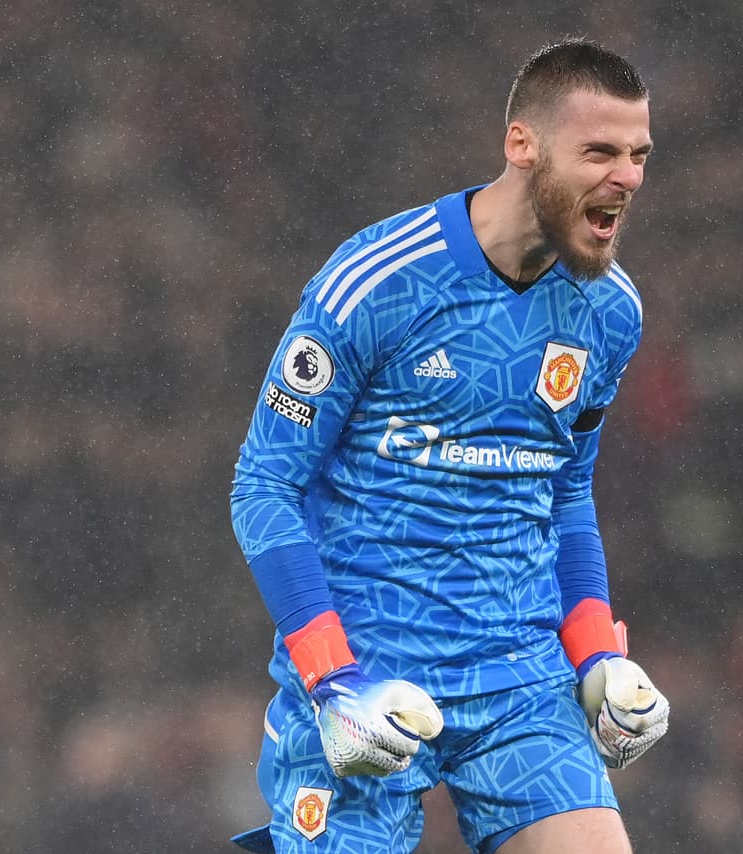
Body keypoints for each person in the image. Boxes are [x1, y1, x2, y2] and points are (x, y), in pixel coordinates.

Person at [228, 38, 670, 854]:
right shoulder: (380, 281)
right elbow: (263, 487)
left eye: (639, 155)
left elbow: (563, 492)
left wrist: (596, 652)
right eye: (600, 151)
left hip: (520, 679)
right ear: (522, 145)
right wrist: (332, 678)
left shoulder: (610, 311)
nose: (629, 178)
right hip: (367, 675)